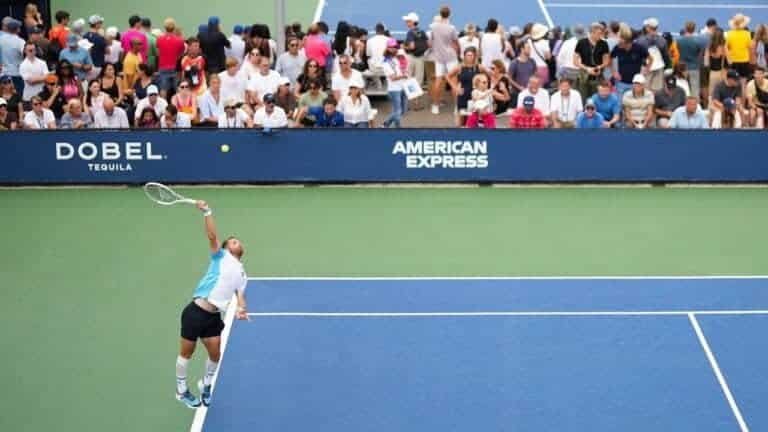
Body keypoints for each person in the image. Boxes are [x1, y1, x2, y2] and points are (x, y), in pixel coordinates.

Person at [174, 199, 248, 409]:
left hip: (214, 317)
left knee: (215, 354)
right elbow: (212, 236)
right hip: (196, 311)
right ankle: (181, 391)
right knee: (187, 353)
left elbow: (239, 294)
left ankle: (205, 385)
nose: (237, 242)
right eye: (233, 241)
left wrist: (242, 309)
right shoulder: (220, 257)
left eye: (237, 241)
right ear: (225, 248)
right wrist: (207, 212)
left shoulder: (243, 274)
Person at [429, 6, 460, 115]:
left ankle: (436, 106)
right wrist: (459, 52)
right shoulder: (452, 28)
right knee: (454, 81)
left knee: (438, 81)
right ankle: (457, 108)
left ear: (440, 13)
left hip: (439, 57)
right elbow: (456, 43)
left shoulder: (433, 27)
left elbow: (430, 43)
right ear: (449, 14)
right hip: (451, 57)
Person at [447, 46, 486, 126]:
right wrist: (455, 87)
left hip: (475, 96)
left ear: (474, 56)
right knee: (460, 122)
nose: (470, 57)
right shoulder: (460, 67)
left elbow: (489, 76)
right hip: (463, 95)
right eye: (468, 55)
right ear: (464, 56)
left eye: (471, 55)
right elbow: (447, 76)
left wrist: (484, 88)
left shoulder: (479, 67)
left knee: (473, 121)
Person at [611, 24, 650, 98]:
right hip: (621, 82)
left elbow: (650, 59)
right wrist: (614, 72)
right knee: (620, 104)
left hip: (635, 83)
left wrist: (646, 70)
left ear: (628, 42)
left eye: (621, 42)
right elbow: (610, 58)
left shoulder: (639, 48)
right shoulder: (617, 48)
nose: (619, 43)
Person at [574, 23, 610, 100]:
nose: (600, 35)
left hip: (598, 75)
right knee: (583, 98)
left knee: (597, 98)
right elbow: (575, 61)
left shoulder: (604, 44)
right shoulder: (581, 43)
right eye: (599, 33)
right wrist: (587, 69)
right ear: (592, 32)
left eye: (601, 33)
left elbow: (606, 61)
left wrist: (599, 67)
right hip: (584, 76)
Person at [636, 17, 670, 92]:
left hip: (646, 68)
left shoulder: (640, 41)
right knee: (657, 91)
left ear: (648, 28)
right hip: (659, 68)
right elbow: (666, 56)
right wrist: (666, 67)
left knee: (645, 89)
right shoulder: (663, 40)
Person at [676, 22, 707, 100]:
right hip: (694, 68)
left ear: (685, 28)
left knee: (682, 88)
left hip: (682, 68)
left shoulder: (679, 40)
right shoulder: (698, 41)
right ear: (694, 29)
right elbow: (700, 55)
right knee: (695, 91)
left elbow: (678, 52)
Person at [381, 39, 409, 128]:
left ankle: (386, 124)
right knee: (398, 111)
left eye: (396, 47)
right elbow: (392, 78)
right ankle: (396, 127)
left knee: (402, 111)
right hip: (394, 90)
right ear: (388, 48)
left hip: (402, 87)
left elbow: (400, 70)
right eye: (392, 47)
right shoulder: (386, 62)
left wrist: (404, 73)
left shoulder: (396, 58)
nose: (395, 49)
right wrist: (403, 76)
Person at [156, 19, 185, 99]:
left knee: (163, 89)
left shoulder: (159, 39)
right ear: (174, 27)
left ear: (164, 27)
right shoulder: (180, 41)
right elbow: (181, 53)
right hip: (175, 68)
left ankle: (163, 108)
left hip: (162, 67)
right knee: (178, 89)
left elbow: (158, 53)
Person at [508, 39, 537, 108]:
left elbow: (535, 75)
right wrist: (519, 87)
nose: (530, 50)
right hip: (517, 93)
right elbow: (509, 78)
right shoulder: (514, 63)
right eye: (528, 48)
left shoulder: (532, 61)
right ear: (522, 49)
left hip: (530, 92)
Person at [402, 12, 427, 92]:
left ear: (412, 22)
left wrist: (404, 47)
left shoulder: (410, 32)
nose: (406, 23)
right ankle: (417, 100)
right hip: (421, 57)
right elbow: (429, 44)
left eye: (408, 21)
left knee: (409, 77)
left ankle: (411, 95)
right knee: (419, 78)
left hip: (411, 57)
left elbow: (412, 46)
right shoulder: (422, 31)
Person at [0, 18, 26, 94]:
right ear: (17, 29)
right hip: (17, 75)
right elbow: (26, 54)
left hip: (4, 74)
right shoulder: (20, 41)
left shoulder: (1, 39)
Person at [726, 14, 753, 85]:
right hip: (744, 61)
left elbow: (726, 48)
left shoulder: (729, 34)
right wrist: (751, 60)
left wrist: (729, 58)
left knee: (733, 81)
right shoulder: (747, 34)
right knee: (743, 81)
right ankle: (743, 95)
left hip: (733, 61)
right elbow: (750, 48)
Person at [705, 28, 728, 105]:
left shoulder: (709, 46)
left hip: (712, 72)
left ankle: (711, 108)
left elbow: (706, 63)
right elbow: (730, 60)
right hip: (722, 72)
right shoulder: (723, 46)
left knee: (711, 93)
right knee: (723, 92)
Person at [526, 23, 551, 87]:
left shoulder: (529, 41)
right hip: (542, 68)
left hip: (531, 68)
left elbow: (527, 54)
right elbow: (548, 57)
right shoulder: (545, 43)